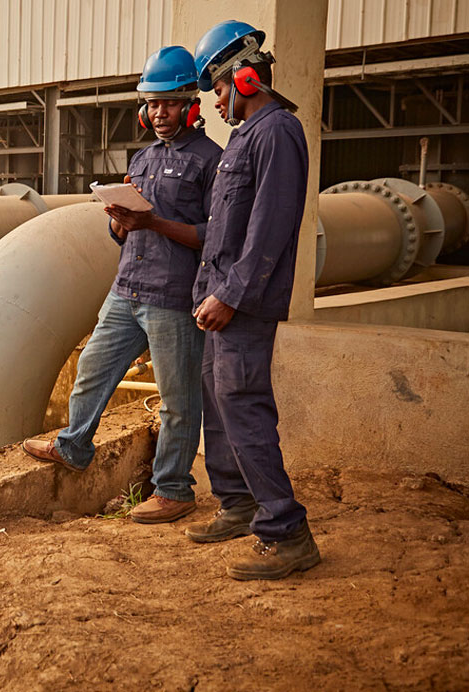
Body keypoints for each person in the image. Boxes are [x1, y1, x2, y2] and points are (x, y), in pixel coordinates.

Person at [23, 46, 222, 525]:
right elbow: (123, 233)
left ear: (191, 106)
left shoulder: (210, 161)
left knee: (178, 399)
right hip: (127, 288)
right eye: (152, 104)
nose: (159, 113)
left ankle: (174, 490)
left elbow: (209, 237)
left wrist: (151, 223)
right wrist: (119, 221)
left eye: (169, 103)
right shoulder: (144, 157)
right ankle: (74, 446)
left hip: (173, 299)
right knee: (92, 367)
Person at [185, 20, 320, 580]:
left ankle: (287, 531)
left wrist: (231, 297)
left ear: (243, 79)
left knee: (244, 408)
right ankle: (240, 505)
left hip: (243, 305)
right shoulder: (244, 137)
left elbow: (268, 231)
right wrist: (207, 292)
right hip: (221, 300)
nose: (214, 103)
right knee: (220, 406)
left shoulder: (276, 132)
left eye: (216, 89)